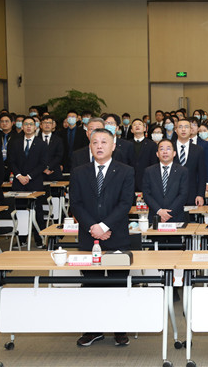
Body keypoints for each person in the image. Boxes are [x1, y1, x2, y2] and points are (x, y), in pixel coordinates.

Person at [70, 128, 134, 348]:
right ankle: (92, 330)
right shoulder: (79, 172)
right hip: (89, 237)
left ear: (113, 146)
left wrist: (104, 226)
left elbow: (125, 203)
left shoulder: (126, 171)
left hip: (116, 235)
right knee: (91, 283)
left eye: (104, 142)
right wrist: (93, 227)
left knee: (118, 283)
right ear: (90, 146)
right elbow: (76, 203)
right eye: (95, 142)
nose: (99, 146)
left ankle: (119, 329)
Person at [8, 117, 48, 246]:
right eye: (26, 124)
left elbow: (43, 164)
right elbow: (11, 161)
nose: (28, 126)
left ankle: (39, 240)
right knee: (20, 211)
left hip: (35, 181)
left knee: (37, 212)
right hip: (18, 182)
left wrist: (29, 176)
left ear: (36, 127)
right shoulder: (15, 143)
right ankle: (21, 239)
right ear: (22, 126)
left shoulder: (41, 144)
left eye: (31, 124)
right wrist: (19, 176)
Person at [142, 139, 189, 224]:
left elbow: (183, 195)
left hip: (176, 217)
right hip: (155, 216)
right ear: (157, 154)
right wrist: (159, 211)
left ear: (174, 153)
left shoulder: (182, 171)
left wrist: (168, 214)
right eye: (162, 149)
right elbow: (146, 194)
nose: (165, 152)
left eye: (168, 149)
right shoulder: (149, 171)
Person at [174, 119, 206, 220]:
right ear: (176, 130)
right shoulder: (170, 148)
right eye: (180, 127)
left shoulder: (198, 150)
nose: (183, 129)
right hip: (172, 195)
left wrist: (200, 194)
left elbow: (202, 174)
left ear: (191, 130)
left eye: (186, 127)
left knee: (191, 223)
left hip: (192, 194)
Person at [130, 118, 158, 191]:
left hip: (147, 180)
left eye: (139, 124)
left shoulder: (152, 145)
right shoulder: (127, 144)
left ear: (145, 129)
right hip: (130, 181)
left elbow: (154, 164)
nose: (137, 126)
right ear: (131, 130)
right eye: (134, 125)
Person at [40, 115, 64, 181]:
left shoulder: (58, 140)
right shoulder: (36, 139)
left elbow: (59, 156)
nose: (47, 125)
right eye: (45, 123)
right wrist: (43, 168)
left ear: (53, 125)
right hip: (39, 173)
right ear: (41, 125)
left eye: (49, 123)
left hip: (54, 172)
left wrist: (48, 167)